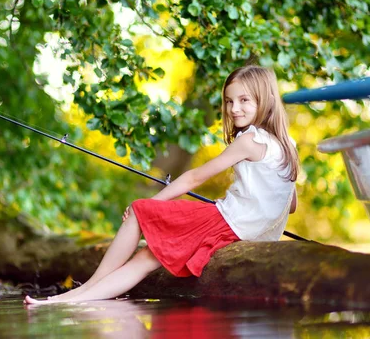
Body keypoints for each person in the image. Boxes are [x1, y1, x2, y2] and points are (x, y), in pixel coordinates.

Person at [24, 65, 299, 304]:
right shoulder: (287, 146)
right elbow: (292, 204)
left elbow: (194, 177)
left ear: (265, 101)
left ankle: (77, 293)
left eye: (244, 100)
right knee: (146, 257)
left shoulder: (249, 141)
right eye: (229, 101)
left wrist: (153, 204)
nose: (234, 108)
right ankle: (76, 297)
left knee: (139, 210)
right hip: (249, 229)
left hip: (228, 223)